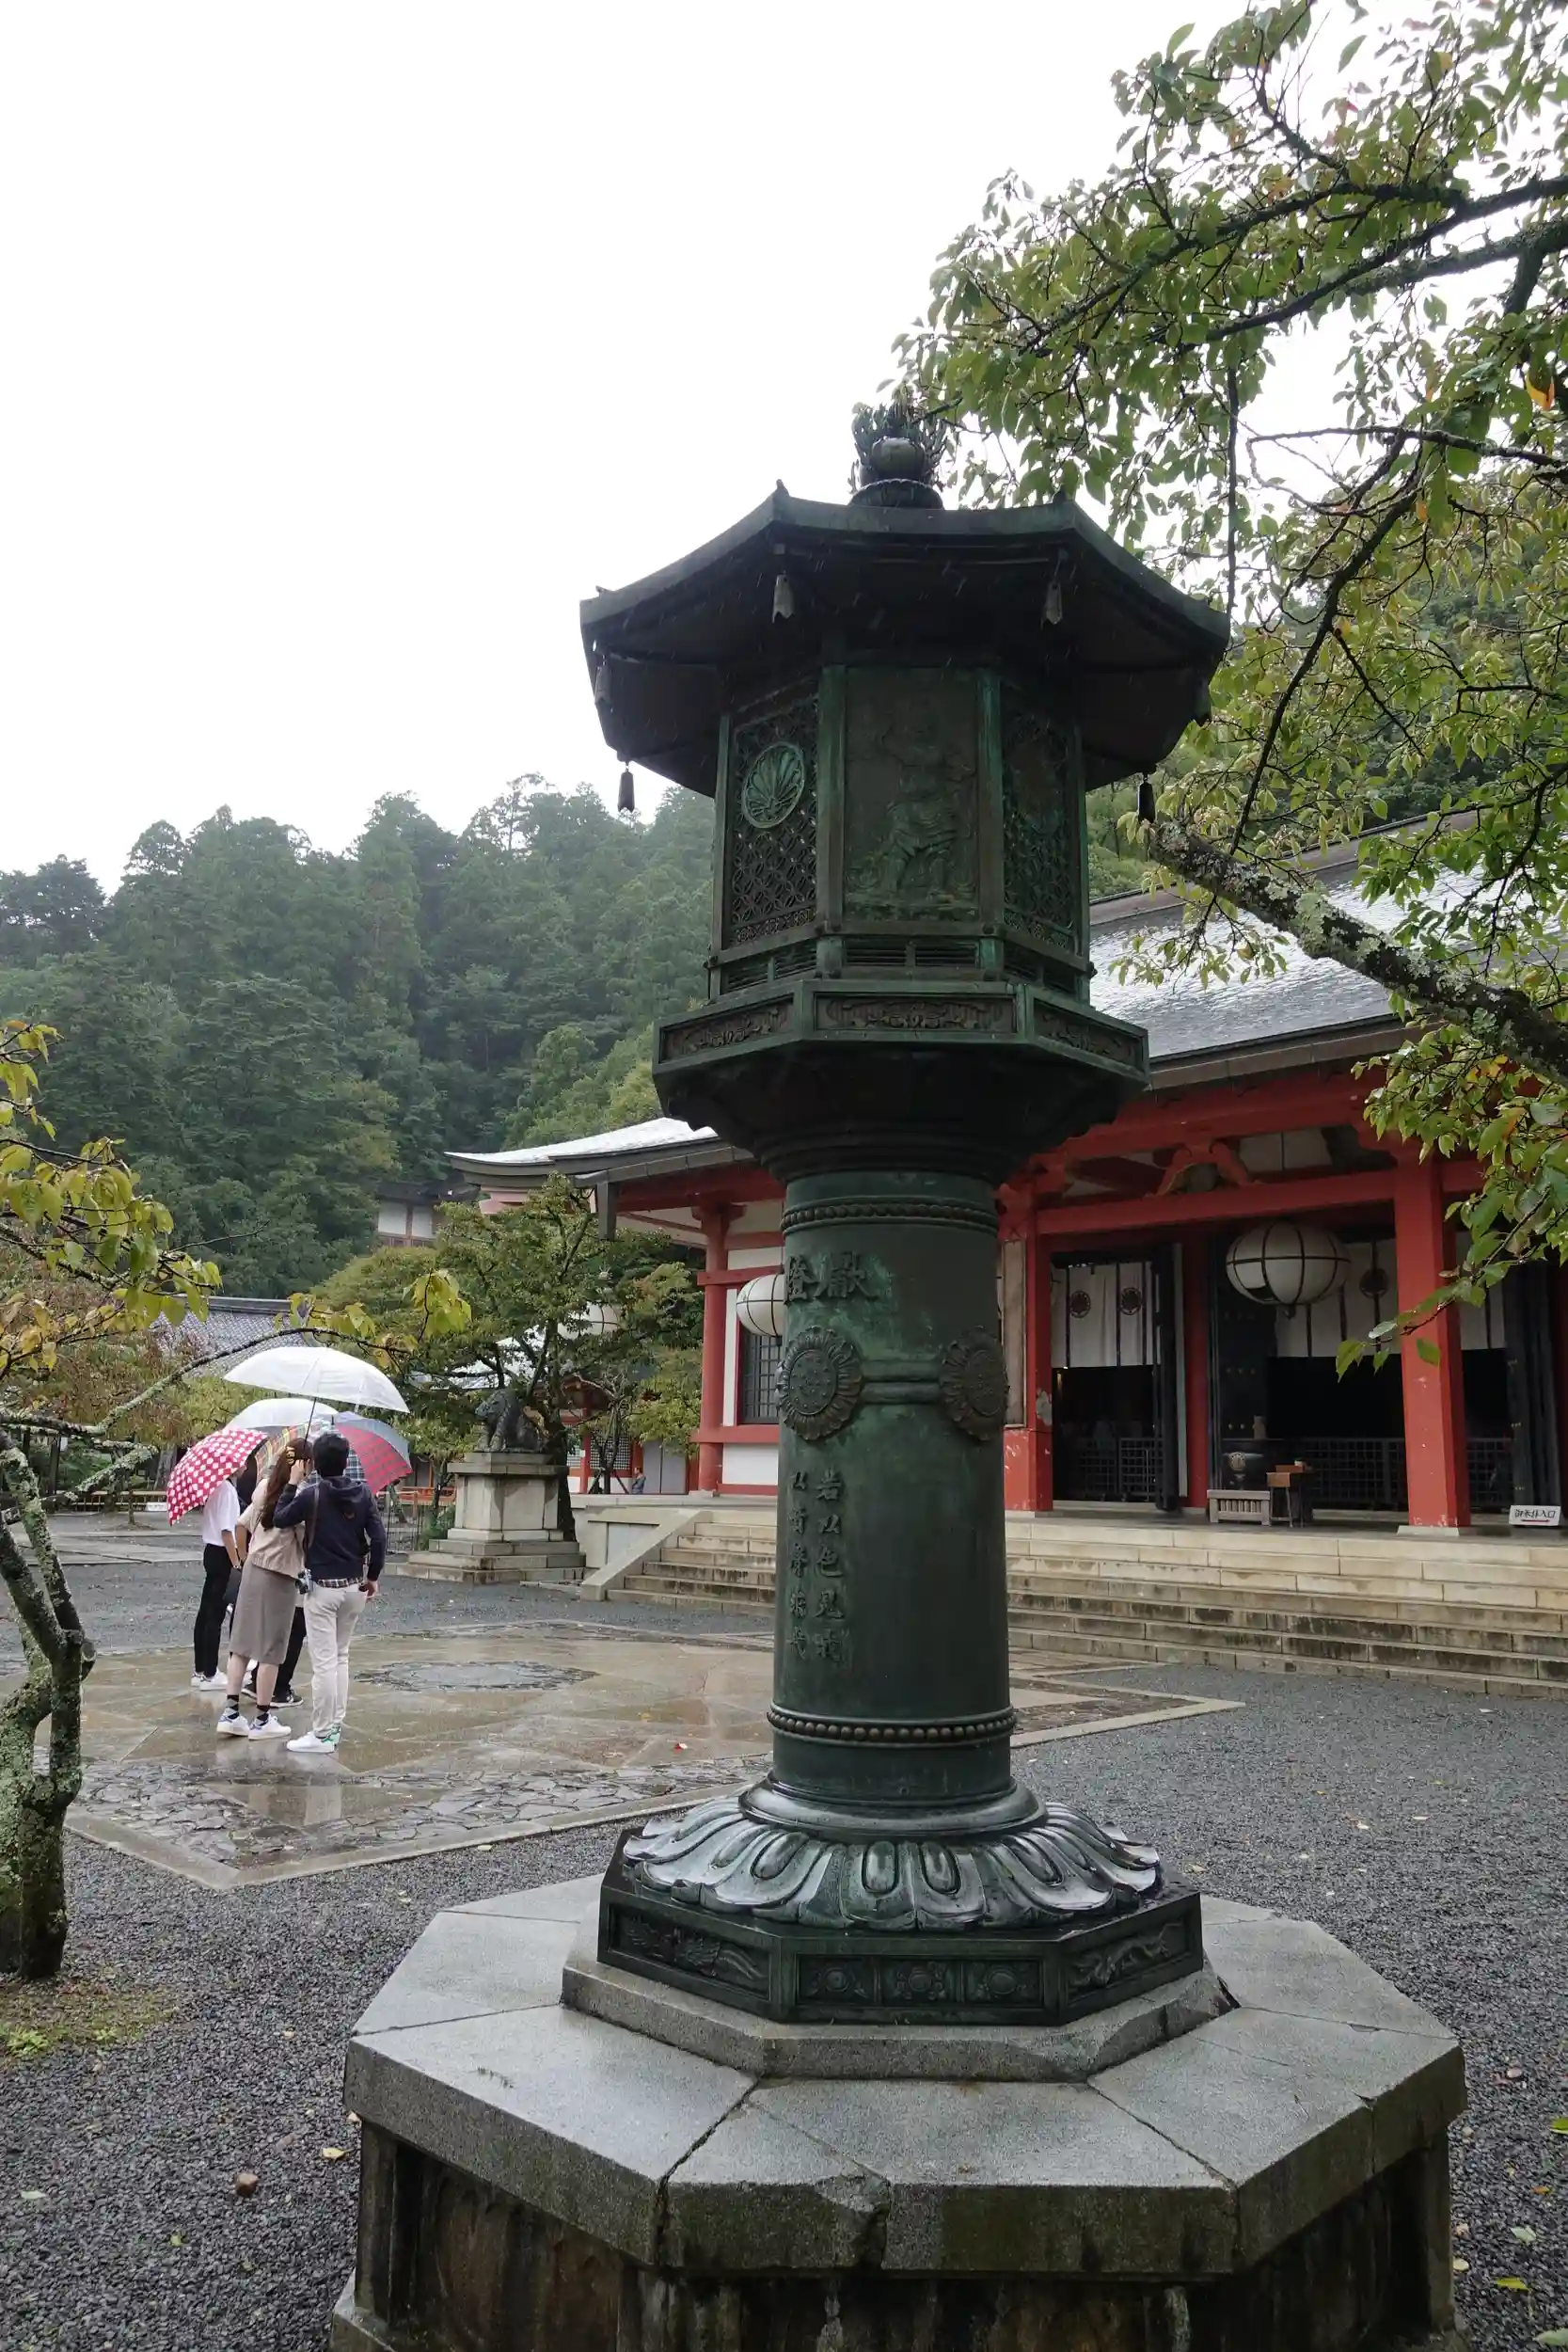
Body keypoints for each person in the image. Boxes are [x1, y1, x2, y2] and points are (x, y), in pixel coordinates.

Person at [276, 1430, 386, 1756]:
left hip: (322, 1590)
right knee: (340, 1657)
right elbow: (379, 1538)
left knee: (324, 1663)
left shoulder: (312, 1495)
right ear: (346, 1461)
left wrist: (292, 1482)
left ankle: (322, 1733)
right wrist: (373, 1576)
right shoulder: (363, 1494)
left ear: (316, 1464)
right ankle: (335, 1724)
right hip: (354, 1587)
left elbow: (280, 1518)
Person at [216, 1444, 309, 1740]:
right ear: (304, 1465)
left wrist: (243, 1559)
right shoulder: (301, 1497)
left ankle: (231, 1713)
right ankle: (262, 1718)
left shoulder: (263, 1487)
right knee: (272, 1650)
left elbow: (242, 1523)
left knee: (241, 1644)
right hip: (280, 1575)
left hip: (253, 1569)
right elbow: (305, 1541)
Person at [191, 1468, 245, 1691]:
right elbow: (227, 1532)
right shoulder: (228, 1491)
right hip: (222, 1553)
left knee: (205, 1611)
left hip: (210, 1551)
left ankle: (200, 1669)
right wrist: (236, 1562)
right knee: (215, 1614)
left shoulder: (214, 1487)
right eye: (242, 1463)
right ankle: (210, 1673)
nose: (245, 1467)